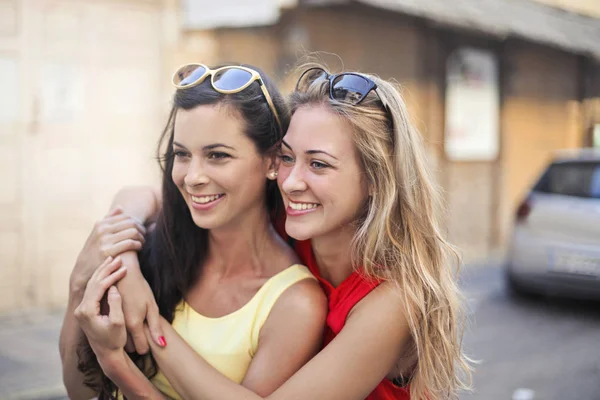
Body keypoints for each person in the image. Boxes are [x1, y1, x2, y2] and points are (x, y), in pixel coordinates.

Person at [75, 63, 472, 399]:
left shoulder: (393, 299)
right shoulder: (297, 223)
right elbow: (140, 196)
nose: (291, 181)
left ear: (375, 180)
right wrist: (125, 261)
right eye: (286, 157)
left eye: (318, 164)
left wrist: (139, 335)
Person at [59, 63, 327, 399]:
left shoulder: (295, 302)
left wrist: (116, 362)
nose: (192, 177)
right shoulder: (156, 246)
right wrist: (84, 284)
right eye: (182, 155)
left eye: (217, 155)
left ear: (273, 161)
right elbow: (79, 391)